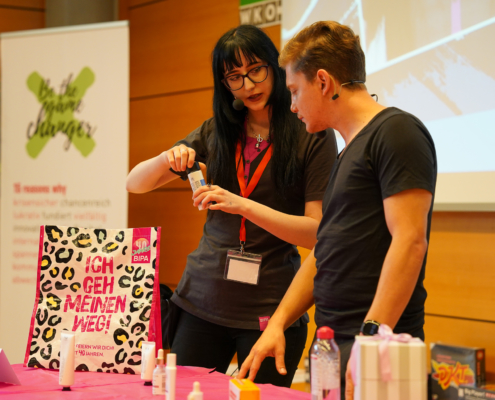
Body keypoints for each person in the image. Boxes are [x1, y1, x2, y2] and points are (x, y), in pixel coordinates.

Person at [126, 24, 336, 387]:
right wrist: (167, 158)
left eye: (256, 70)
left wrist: (243, 205)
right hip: (201, 301)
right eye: (234, 77)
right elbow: (134, 183)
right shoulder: (217, 131)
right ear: (224, 84)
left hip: (270, 309)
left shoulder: (311, 133)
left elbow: (317, 233)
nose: (248, 85)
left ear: (275, 66)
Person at [237, 21, 437, 399]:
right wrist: (278, 322)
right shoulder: (347, 152)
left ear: (323, 82)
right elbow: (325, 249)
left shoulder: (397, 132)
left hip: (377, 346)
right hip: (335, 341)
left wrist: (372, 338)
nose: (292, 105)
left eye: (295, 91)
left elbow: (410, 241)